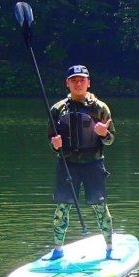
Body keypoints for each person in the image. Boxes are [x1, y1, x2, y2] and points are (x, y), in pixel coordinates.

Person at [46, 65, 116, 260]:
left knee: (100, 207)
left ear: (88, 82)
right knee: (62, 207)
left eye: (82, 80)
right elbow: (52, 140)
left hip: (93, 164)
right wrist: (55, 144)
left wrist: (105, 134)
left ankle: (110, 248)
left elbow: (110, 140)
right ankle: (58, 249)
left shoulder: (100, 108)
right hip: (68, 164)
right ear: (67, 83)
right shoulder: (57, 109)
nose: (78, 83)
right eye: (74, 80)